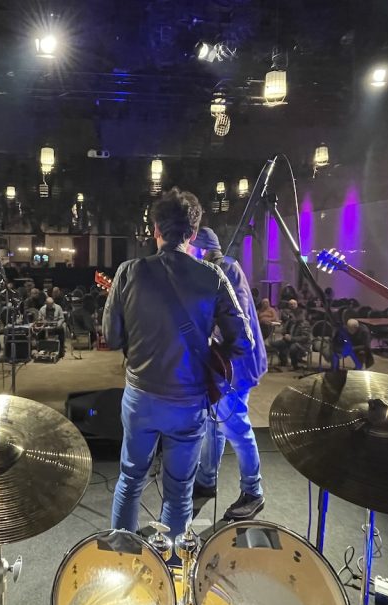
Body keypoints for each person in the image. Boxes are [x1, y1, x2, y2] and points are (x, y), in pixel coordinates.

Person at [102, 189, 252, 544]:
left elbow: (111, 337)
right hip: (188, 402)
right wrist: (209, 347)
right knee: (179, 490)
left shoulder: (128, 272)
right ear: (193, 232)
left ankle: (122, 553)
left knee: (130, 479)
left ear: (156, 229)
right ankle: (170, 560)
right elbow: (243, 341)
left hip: (141, 398)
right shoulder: (213, 277)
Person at [188, 227, 268, 520]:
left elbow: (236, 320)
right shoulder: (219, 270)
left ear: (202, 249)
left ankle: (253, 492)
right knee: (214, 423)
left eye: (190, 249)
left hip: (236, 368)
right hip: (225, 367)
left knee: (236, 426)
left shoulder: (227, 271)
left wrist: (205, 331)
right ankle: (206, 480)